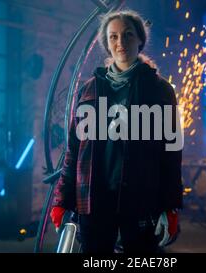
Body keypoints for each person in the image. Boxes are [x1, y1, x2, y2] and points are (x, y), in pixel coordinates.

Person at [50, 10, 183, 253]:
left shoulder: (159, 90)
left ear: (140, 40)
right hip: (94, 199)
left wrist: (170, 206)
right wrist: (62, 201)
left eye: (127, 35)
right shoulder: (89, 91)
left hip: (142, 199)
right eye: (113, 37)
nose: (120, 43)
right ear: (106, 43)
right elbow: (74, 149)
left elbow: (171, 153)